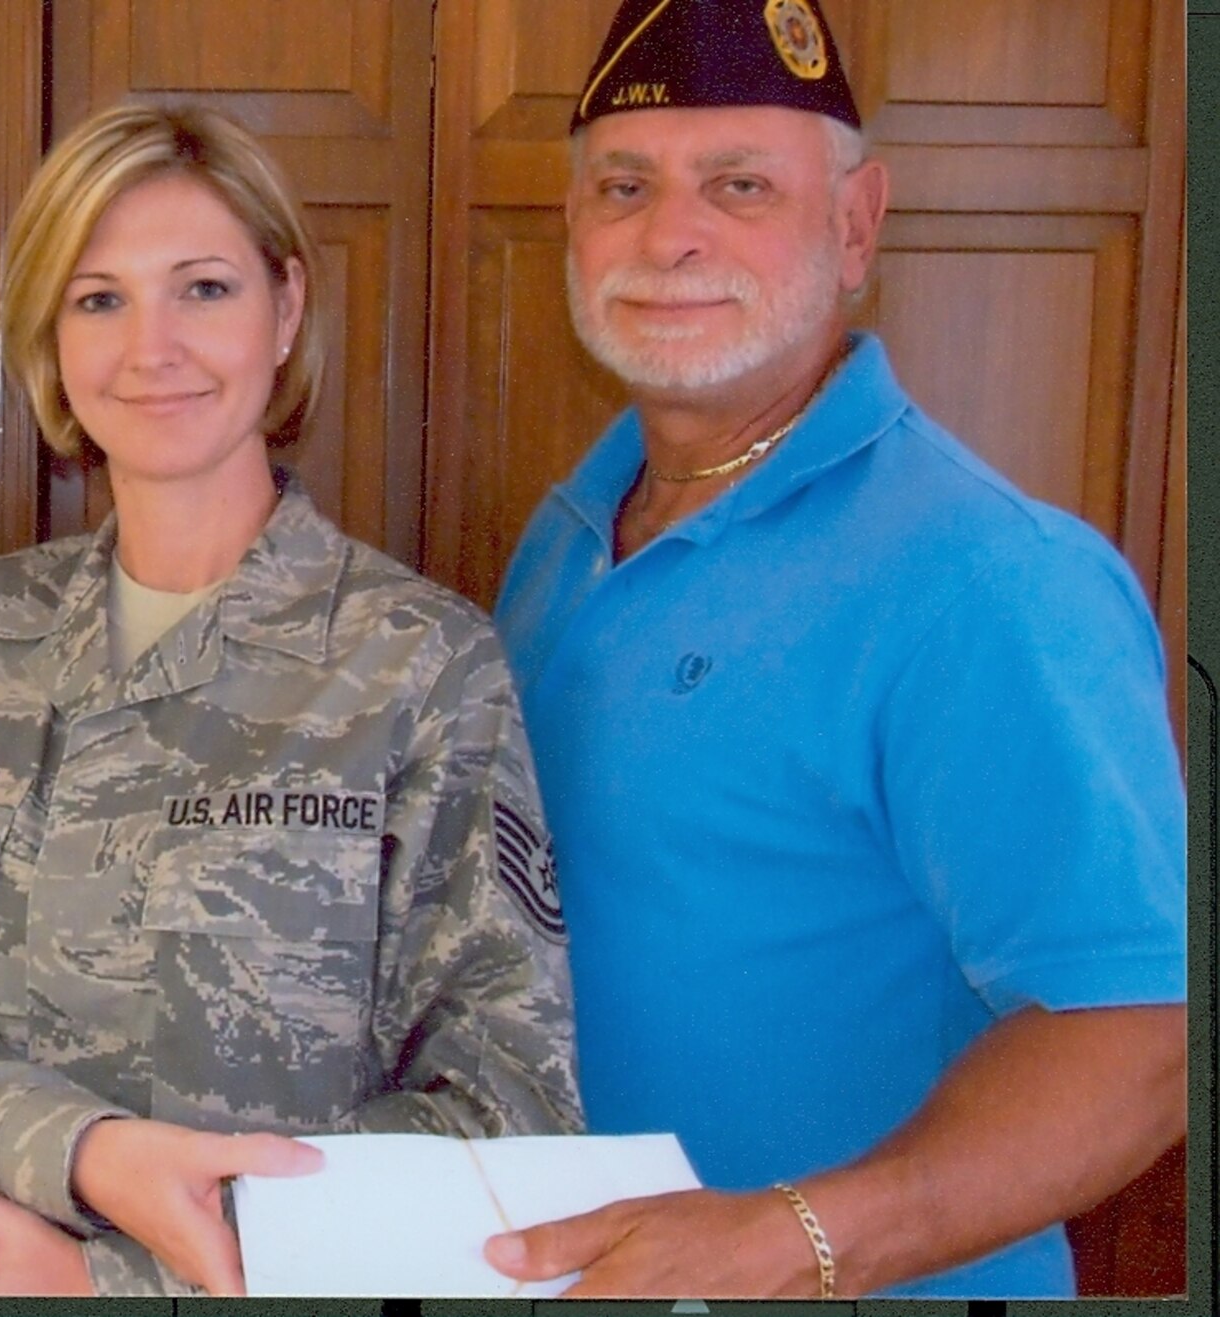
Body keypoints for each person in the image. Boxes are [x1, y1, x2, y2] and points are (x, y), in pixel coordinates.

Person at [0, 102, 583, 1298]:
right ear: (50, 343)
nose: (150, 346)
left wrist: (112, 1283)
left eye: (202, 288)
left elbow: (503, 1106)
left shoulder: (418, 667)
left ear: (286, 311)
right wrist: (83, 1156)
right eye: (98, 298)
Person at [485, 0, 1187, 1300]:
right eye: (622, 186)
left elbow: (1142, 1035)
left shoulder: (987, 580)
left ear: (856, 225)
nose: (668, 234)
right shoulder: (573, 530)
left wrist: (787, 1238)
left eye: (739, 184)